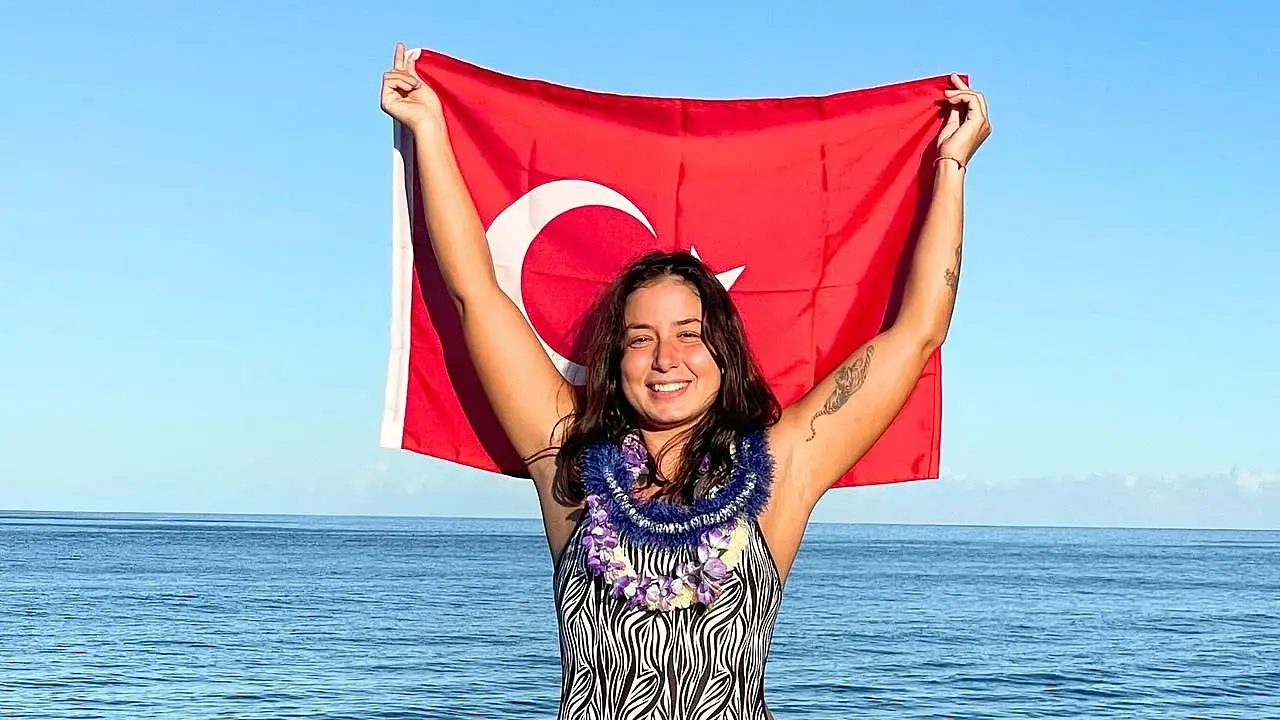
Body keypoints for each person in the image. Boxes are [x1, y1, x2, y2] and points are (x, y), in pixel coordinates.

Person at [380, 42, 990, 720]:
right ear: (616, 360)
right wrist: (429, 130)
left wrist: (951, 164)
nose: (665, 357)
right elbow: (475, 294)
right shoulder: (568, 461)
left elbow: (917, 333)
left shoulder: (784, 465)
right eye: (640, 338)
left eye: (689, 334)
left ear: (723, 353)